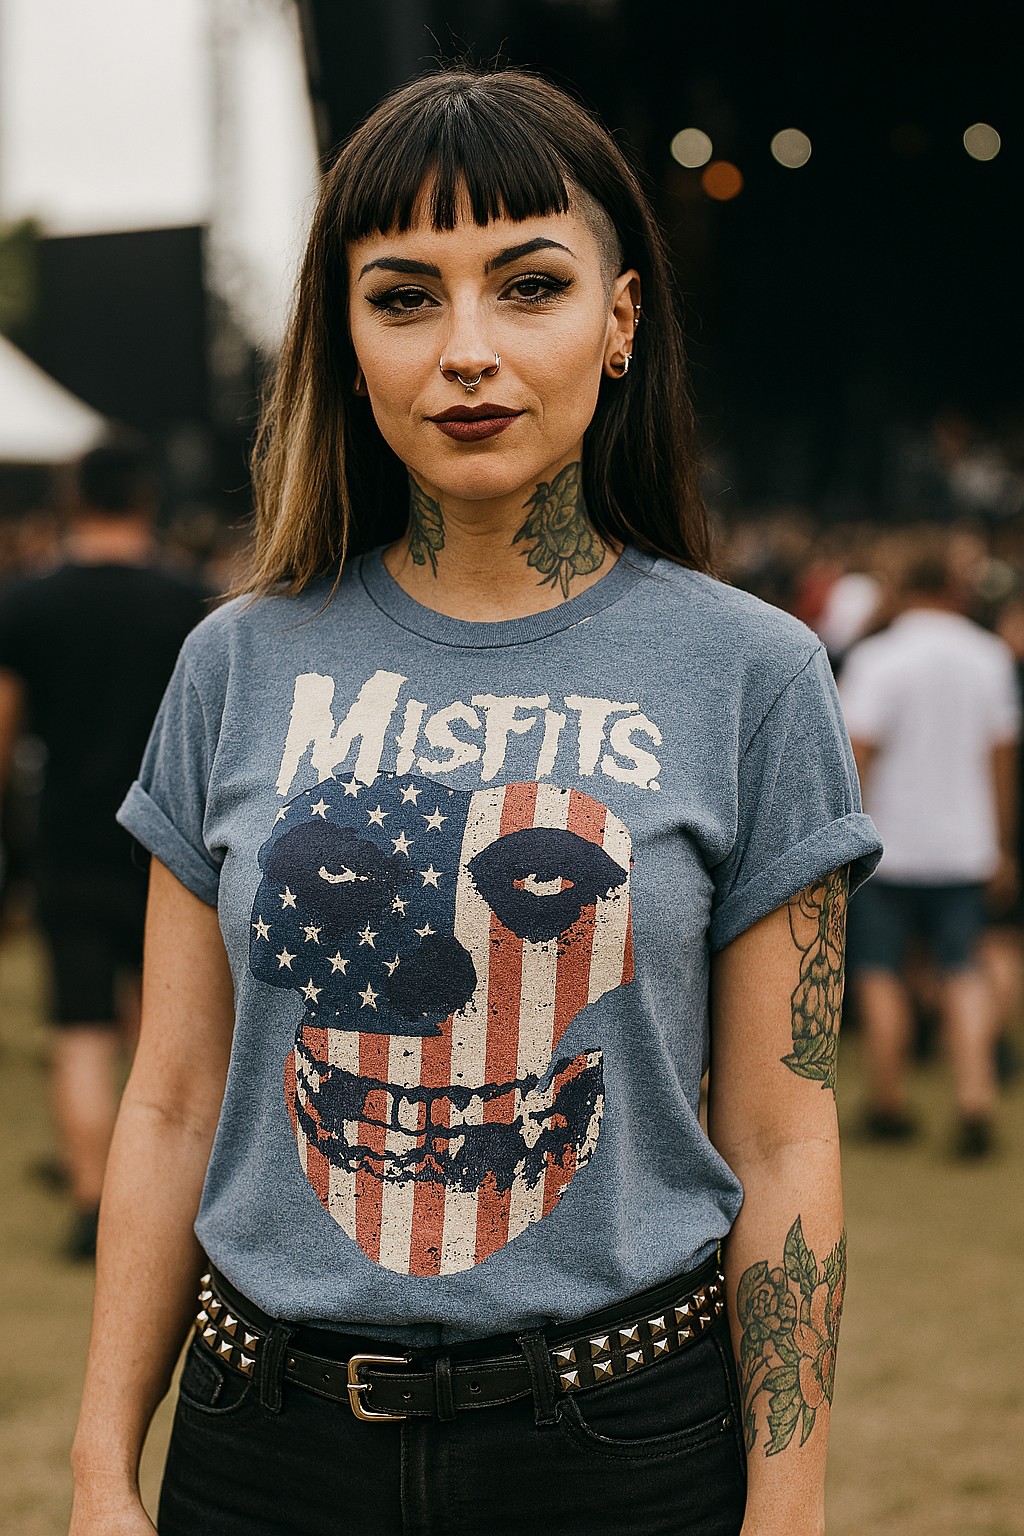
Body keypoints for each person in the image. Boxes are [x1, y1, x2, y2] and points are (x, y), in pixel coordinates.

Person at [69, 69, 880, 1536]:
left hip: (624, 1454)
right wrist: (95, 1476)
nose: (468, 353)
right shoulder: (233, 663)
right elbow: (175, 1100)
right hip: (263, 1454)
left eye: (528, 285)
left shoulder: (753, 676)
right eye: (403, 296)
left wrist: (791, 1506)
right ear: (343, 338)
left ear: (620, 320)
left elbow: (785, 1139)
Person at [0, 442, 208, 1257]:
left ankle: (93, 1200)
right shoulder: (192, 601)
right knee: (166, 1028)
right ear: (149, 497)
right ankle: (162, 1196)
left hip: (72, 838)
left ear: (71, 496)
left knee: (79, 1028)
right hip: (176, 841)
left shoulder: (29, 601)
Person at [840, 543, 1020, 1156]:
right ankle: (974, 1097)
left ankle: (889, 1101)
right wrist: (1000, 842)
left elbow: (855, 751)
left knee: (881, 969)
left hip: (891, 842)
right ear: (953, 586)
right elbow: (1000, 757)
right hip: (964, 844)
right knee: (962, 968)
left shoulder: (879, 657)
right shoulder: (989, 653)